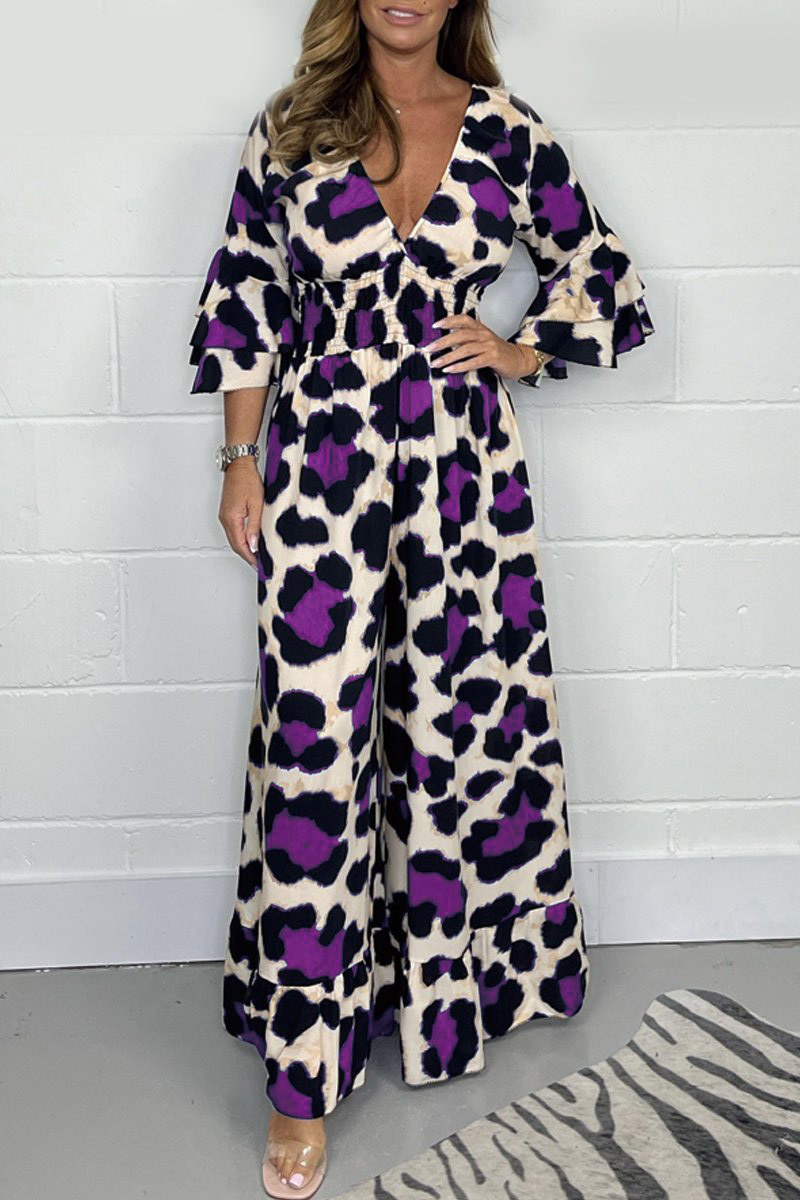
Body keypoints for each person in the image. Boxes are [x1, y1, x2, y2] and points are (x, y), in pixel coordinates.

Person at [188, 1, 654, 1195]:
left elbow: (601, 276)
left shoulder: (508, 131)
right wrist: (239, 462)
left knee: (458, 728)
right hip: (322, 464)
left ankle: (448, 993)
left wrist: (520, 349)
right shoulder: (291, 126)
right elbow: (247, 301)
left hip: (464, 470)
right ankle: (301, 1076)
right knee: (315, 748)